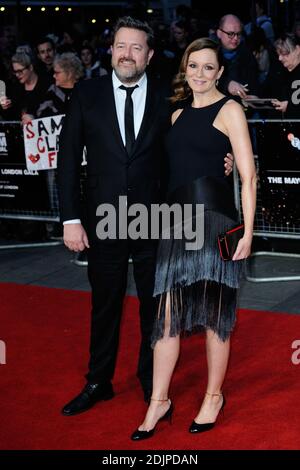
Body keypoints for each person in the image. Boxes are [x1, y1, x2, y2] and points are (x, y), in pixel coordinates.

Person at [57, 17, 234, 417]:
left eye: (136, 47)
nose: (127, 53)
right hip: (103, 217)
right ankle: (98, 381)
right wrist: (70, 218)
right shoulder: (87, 94)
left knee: (156, 308)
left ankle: (150, 383)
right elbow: (67, 159)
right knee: (105, 303)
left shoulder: (166, 98)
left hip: (156, 218)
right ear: (111, 49)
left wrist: (220, 161)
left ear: (149, 55)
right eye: (121, 45)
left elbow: (191, 142)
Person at [131, 37, 256, 440]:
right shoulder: (174, 115)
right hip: (175, 224)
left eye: (208, 67)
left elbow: (248, 175)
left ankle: (214, 395)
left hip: (216, 222)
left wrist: (249, 232)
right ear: (185, 69)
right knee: (166, 317)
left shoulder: (230, 109)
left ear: (220, 73)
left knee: (214, 318)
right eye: (194, 66)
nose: (200, 73)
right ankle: (159, 401)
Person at [216, 14, 259, 99]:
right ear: (219, 33)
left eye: (238, 34)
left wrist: (254, 98)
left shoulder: (248, 55)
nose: (235, 38)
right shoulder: (209, 54)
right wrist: (227, 84)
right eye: (230, 34)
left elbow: (254, 84)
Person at [271, 34, 300, 118]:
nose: (280, 58)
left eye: (284, 53)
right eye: (278, 54)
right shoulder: (278, 72)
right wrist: (256, 99)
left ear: (297, 50)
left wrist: (290, 107)